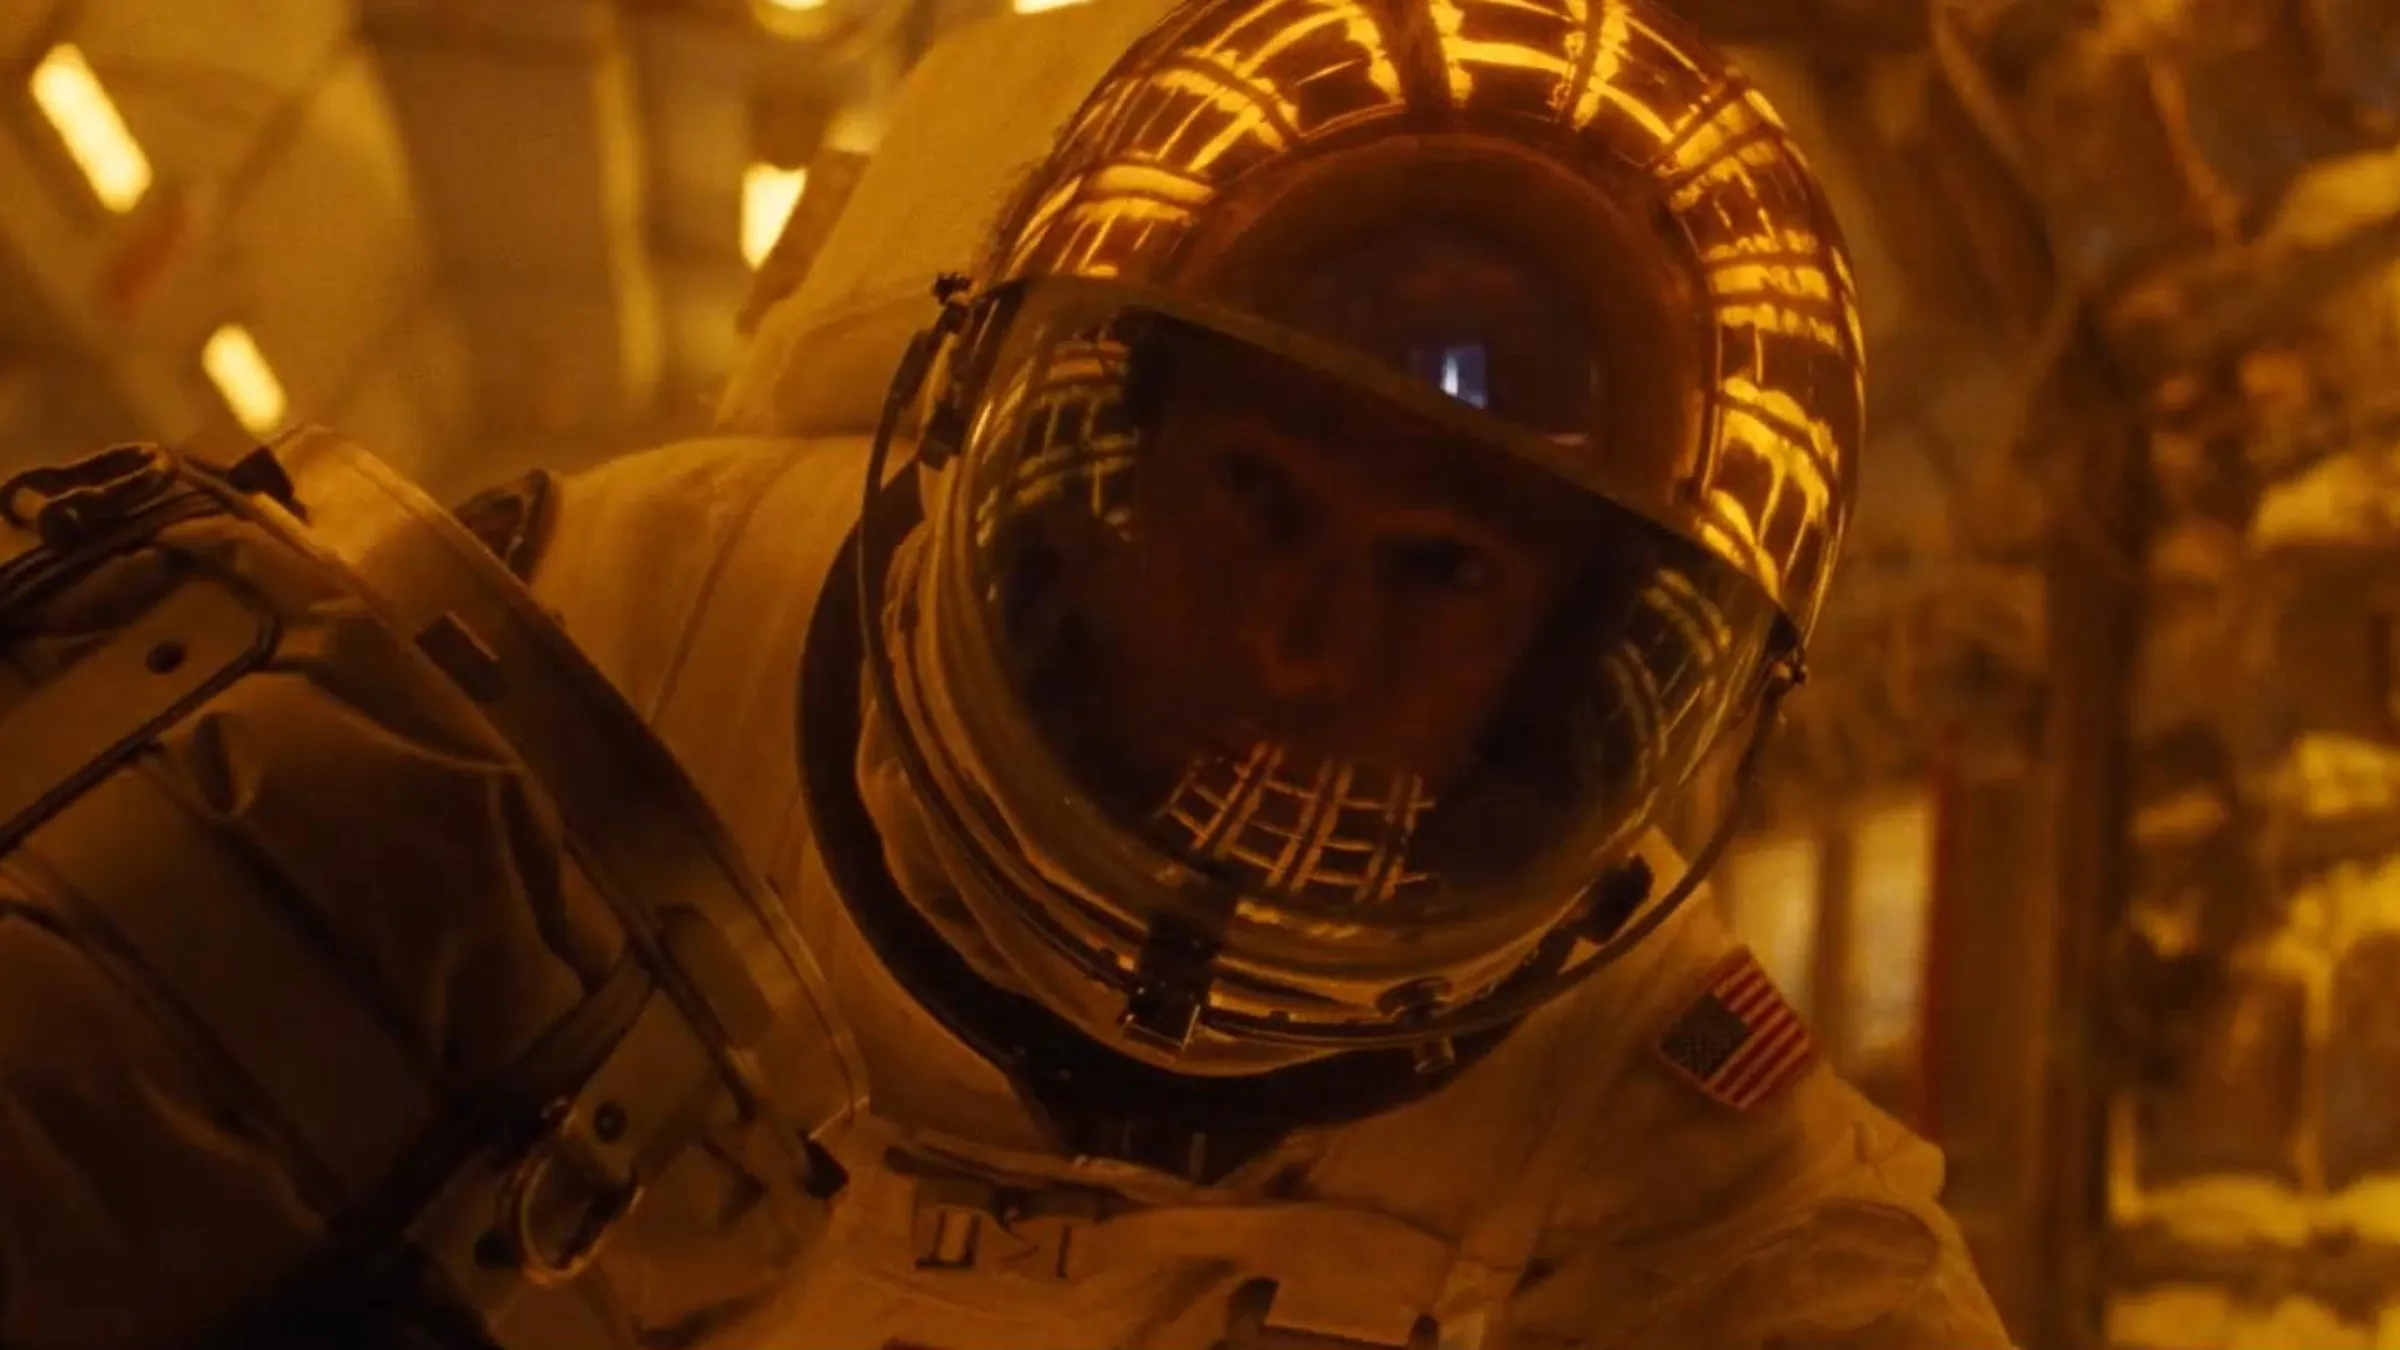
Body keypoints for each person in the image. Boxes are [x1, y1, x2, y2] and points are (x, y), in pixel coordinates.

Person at [0, 0, 2018, 1346]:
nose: (1301, 644)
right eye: (1258, 498)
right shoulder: (604, 637)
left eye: (1440, 572)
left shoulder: (1614, 1046)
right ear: (1083, 460)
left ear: (1565, 668)